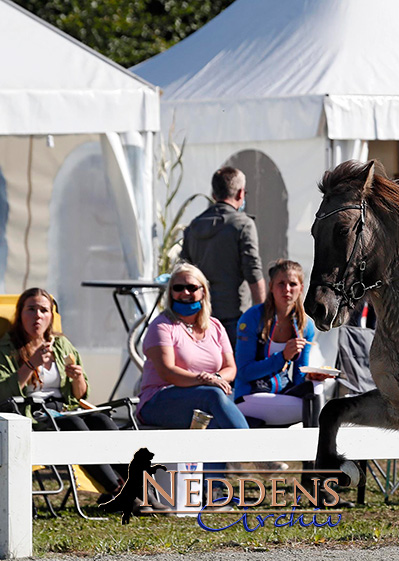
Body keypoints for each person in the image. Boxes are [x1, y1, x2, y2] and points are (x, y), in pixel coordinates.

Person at [0, 288, 137, 507]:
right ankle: (116, 490)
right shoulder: (5, 349)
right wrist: (31, 365)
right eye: (31, 309)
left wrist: (77, 379)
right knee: (74, 423)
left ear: (51, 316)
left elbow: (81, 394)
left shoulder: (62, 344)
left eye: (44, 310)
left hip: (65, 408)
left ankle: (139, 487)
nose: (37, 315)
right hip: (32, 414)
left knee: (101, 421)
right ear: (20, 314)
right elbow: (0, 394)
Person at [137, 263, 248, 504]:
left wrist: (217, 378)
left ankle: (215, 493)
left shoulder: (216, 327)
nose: (185, 293)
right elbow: (168, 372)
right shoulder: (162, 326)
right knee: (213, 398)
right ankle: (250, 449)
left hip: (204, 401)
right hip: (159, 400)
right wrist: (204, 379)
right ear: (170, 292)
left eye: (191, 287)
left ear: (203, 292)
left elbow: (231, 369)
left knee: (215, 409)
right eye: (178, 287)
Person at [234, 259, 331, 427]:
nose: (286, 289)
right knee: (312, 406)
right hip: (250, 396)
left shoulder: (305, 325)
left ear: (301, 288)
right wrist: (283, 357)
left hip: (283, 394)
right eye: (281, 284)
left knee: (315, 388)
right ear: (271, 287)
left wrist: (311, 376)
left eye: (292, 284)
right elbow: (244, 373)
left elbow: (299, 376)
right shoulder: (252, 318)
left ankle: (315, 448)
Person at [180, 166, 266, 344]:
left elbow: (183, 273)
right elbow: (253, 273)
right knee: (234, 369)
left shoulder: (194, 226)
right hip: (234, 317)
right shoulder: (243, 225)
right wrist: (263, 318)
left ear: (213, 194)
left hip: (198, 317)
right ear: (241, 193)